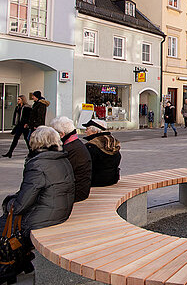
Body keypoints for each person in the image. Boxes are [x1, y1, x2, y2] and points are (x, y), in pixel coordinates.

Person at [0, 126, 75, 280]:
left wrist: (8, 203)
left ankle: (7, 267)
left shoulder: (38, 165)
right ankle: (22, 262)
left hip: (43, 218)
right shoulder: (62, 158)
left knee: (4, 225)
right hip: (60, 212)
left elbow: (22, 204)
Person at [50, 117, 92, 202]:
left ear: (61, 134)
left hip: (76, 192)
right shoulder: (74, 143)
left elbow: (58, 174)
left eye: (53, 133)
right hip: (78, 189)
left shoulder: (69, 149)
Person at [83, 119, 121, 187]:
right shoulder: (112, 142)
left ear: (95, 131)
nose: (85, 131)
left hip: (96, 181)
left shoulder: (91, 146)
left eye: (87, 129)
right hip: (112, 179)